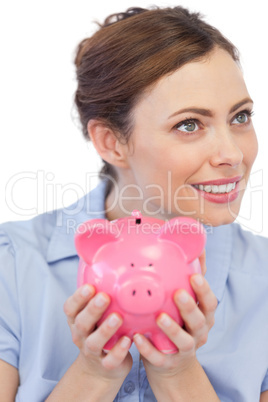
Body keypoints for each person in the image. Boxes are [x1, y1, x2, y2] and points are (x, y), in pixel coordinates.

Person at [0, 5, 268, 401]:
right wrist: (95, 373)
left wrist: (178, 372)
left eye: (240, 117)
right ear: (112, 142)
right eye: (189, 124)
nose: (232, 154)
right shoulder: (12, 265)